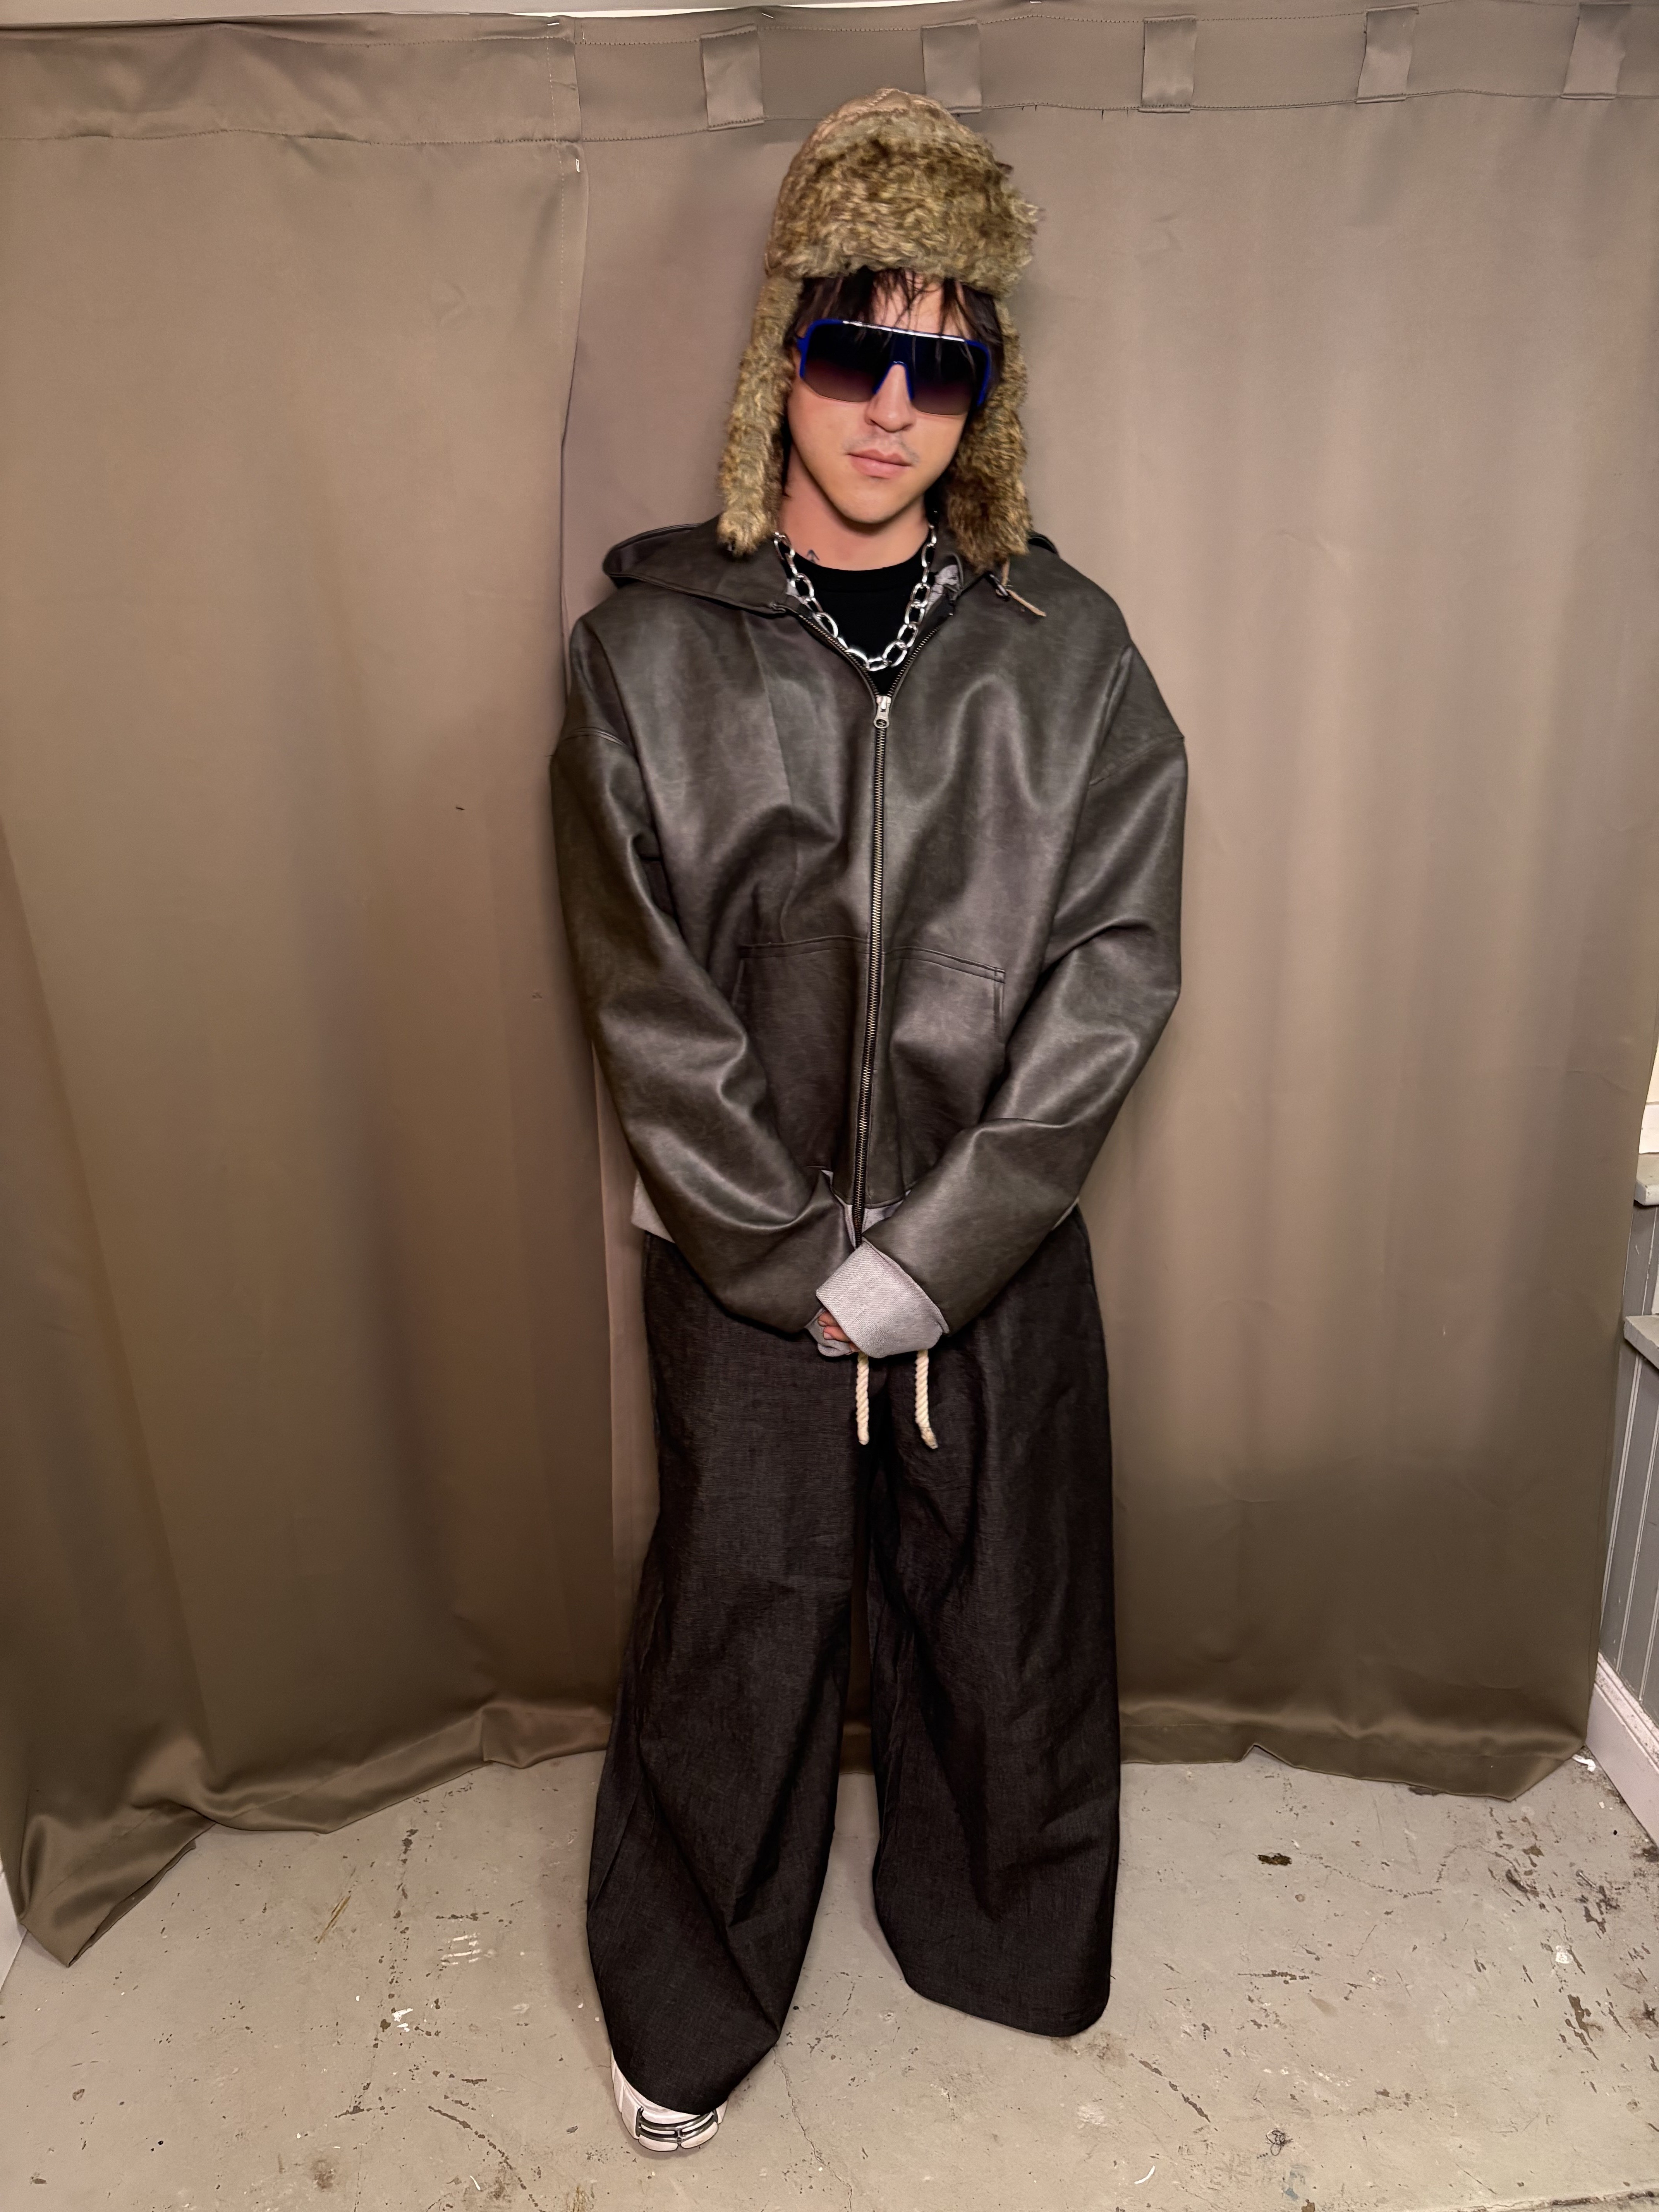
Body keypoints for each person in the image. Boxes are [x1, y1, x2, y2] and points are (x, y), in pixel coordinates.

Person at [550, 88, 1187, 2154]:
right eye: (853, 348)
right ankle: (688, 2002)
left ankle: (1002, 1929)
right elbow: (642, 989)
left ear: (987, 391)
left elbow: (1115, 963)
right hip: (743, 1243)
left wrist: (941, 1247)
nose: (893, 406)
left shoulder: (1069, 655)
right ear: (784, 359)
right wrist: (792, 1254)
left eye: (945, 362)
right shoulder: (646, 654)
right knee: (740, 1617)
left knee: (1006, 1594)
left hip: (990, 1238)